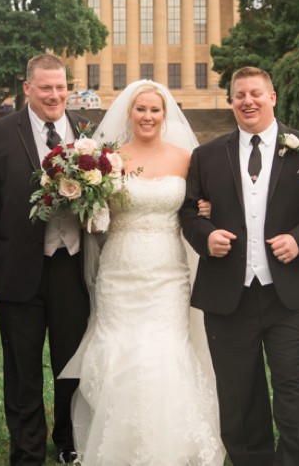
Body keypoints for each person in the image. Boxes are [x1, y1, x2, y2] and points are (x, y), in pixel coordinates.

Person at [180, 66, 299, 466]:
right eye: (239, 95)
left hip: (291, 294)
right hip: (228, 293)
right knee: (238, 391)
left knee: (292, 383)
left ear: (272, 97)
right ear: (230, 102)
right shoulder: (206, 155)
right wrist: (206, 237)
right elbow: (188, 213)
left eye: (256, 93)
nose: (247, 101)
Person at [60, 80, 225, 465]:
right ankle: (120, 445)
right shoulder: (107, 160)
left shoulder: (186, 159)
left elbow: (200, 205)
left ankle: (171, 448)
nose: (148, 116)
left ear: (164, 115)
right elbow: (97, 220)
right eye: (141, 109)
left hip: (168, 271)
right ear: (128, 114)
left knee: (164, 351)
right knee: (119, 351)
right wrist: (94, 211)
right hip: (119, 270)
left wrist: (205, 210)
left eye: (155, 110)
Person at [0, 53, 90, 466]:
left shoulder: (88, 131)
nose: (55, 95)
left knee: (72, 362)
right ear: (28, 88)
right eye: (46, 88)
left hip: (74, 266)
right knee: (22, 367)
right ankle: (26, 450)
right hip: (18, 267)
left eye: (61, 87)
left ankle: (67, 441)